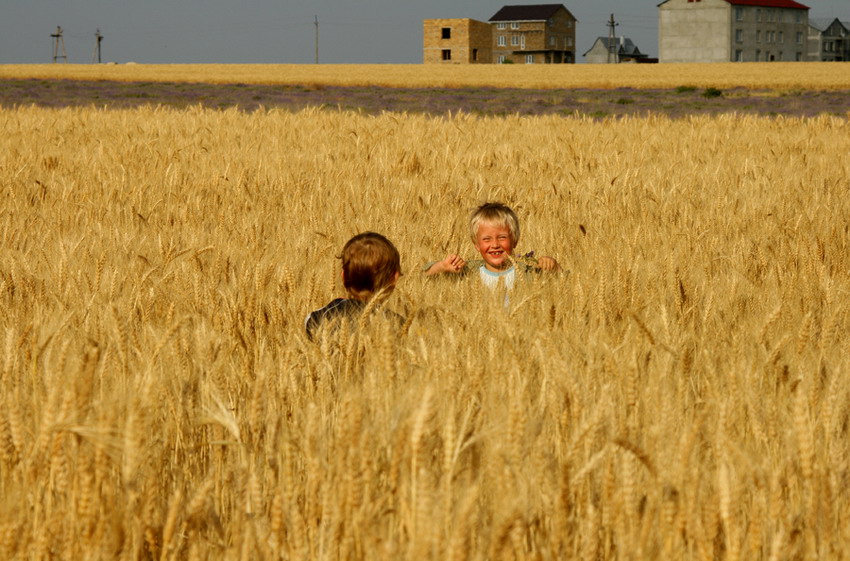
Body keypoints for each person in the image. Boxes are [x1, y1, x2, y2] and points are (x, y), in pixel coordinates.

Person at [423, 202, 559, 291]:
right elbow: (423, 278)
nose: (495, 245)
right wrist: (442, 266)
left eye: (502, 237)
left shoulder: (529, 271)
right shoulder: (467, 272)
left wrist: (553, 267)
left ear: (515, 240)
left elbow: (565, 284)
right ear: (476, 244)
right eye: (486, 239)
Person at [305, 232, 402, 340]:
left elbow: (309, 324)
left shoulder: (319, 316)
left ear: (343, 275)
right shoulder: (399, 325)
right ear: (394, 278)